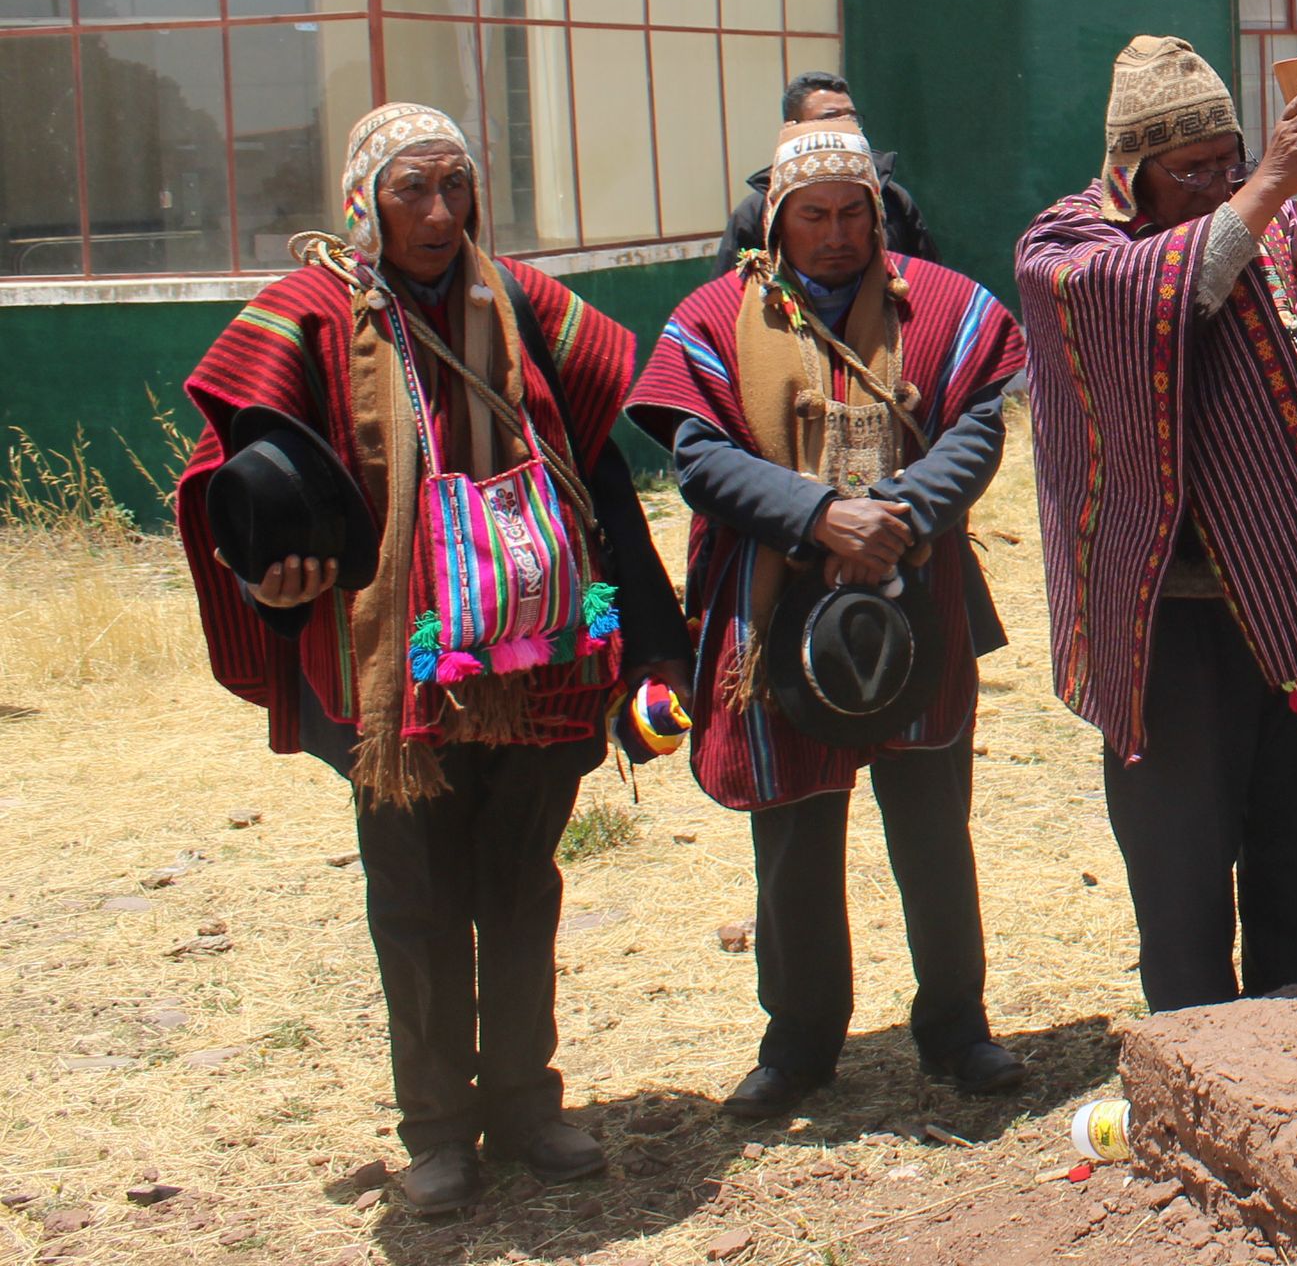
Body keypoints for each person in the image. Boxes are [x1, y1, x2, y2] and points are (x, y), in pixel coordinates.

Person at [173, 103, 688, 1211]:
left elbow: (596, 475)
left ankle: (525, 1100)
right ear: (365, 199)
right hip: (392, 678)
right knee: (412, 897)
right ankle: (438, 1130)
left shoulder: (528, 306)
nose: (441, 211)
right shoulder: (308, 315)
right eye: (414, 189)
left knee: (521, 884)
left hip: (542, 658)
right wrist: (273, 579)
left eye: (457, 184)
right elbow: (242, 485)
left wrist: (656, 643)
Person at [1015, 38, 1297, 1013]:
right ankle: (1203, 1082)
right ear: (1130, 171)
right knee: (1184, 884)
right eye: (1186, 169)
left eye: (1225, 159)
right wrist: (1266, 190)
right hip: (1173, 623)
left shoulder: (1279, 223)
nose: (1213, 183)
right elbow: (1154, 295)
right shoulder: (1067, 247)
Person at [630, 118, 1028, 1120]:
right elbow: (699, 455)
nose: (839, 232)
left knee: (934, 828)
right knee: (796, 838)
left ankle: (958, 1027)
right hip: (777, 618)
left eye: (856, 212)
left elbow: (979, 425)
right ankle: (800, 1042)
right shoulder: (715, 319)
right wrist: (820, 514)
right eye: (815, 214)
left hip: (913, 597)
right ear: (777, 221)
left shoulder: (938, 305)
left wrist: (900, 514)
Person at [716, 72, 933, 269]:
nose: (846, 127)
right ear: (793, 129)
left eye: (851, 118)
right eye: (830, 118)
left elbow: (929, 281)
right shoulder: (755, 213)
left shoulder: (893, 198)